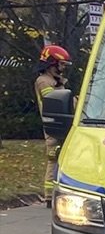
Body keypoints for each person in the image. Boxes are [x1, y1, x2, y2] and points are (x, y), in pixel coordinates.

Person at [35, 45, 71, 193]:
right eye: (61, 64)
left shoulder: (57, 81)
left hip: (62, 122)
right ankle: (49, 194)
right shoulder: (44, 81)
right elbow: (53, 100)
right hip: (52, 124)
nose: (63, 68)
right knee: (53, 157)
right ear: (51, 64)